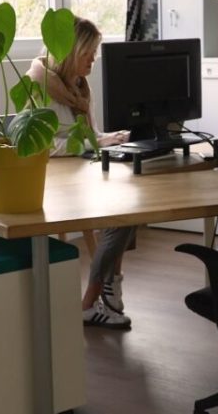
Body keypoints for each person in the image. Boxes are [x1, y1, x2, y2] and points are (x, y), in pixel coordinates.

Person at [26, 17, 134, 330]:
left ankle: (101, 290)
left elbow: (91, 135)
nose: (94, 59)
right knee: (121, 211)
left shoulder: (78, 87)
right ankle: (95, 297)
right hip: (52, 182)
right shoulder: (38, 85)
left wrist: (109, 139)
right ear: (72, 51)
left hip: (80, 173)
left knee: (131, 203)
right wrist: (97, 141)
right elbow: (41, 145)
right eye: (90, 53)